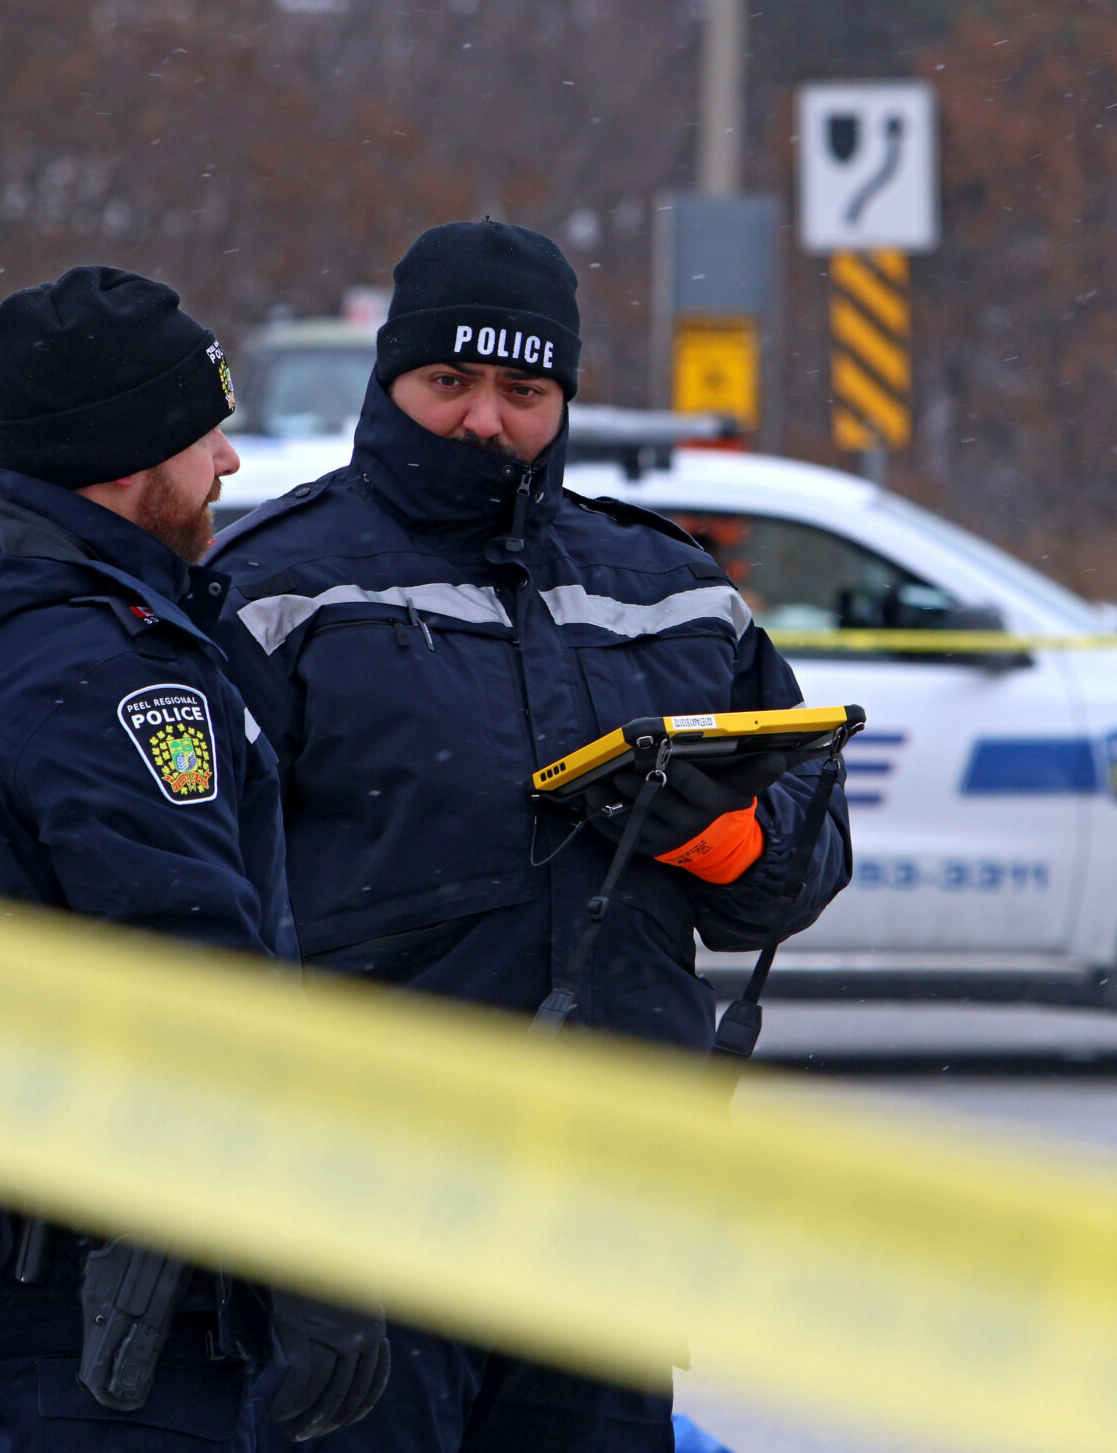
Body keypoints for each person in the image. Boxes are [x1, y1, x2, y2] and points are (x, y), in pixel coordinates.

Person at [204, 222, 851, 1453]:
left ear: (564, 399)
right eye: (448, 381)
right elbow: (198, 903)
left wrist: (722, 838)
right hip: (365, 1204)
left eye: (522, 389)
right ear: (389, 380)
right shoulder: (272, 586)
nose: (483, 420)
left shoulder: (671, 588)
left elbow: (800, 861)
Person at [0, 265, 388, 1452]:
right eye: (204, 434)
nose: (227, 462)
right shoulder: (106, 676)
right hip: (97, 1310)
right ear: (125, 460)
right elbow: (192, 975)